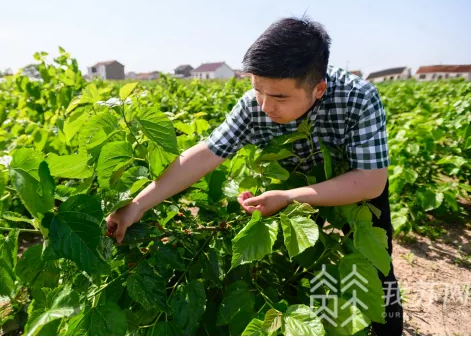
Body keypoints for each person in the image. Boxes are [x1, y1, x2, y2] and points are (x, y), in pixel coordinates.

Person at [106, 17, 403, 335]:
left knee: (375, 264)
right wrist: (138, 205)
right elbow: (206, 153)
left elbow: (371, 182)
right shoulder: (255, 105)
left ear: (319, 89)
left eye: (279, 97)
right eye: (257, 90)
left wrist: (289, 197)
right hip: (291, 182)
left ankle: (388, 327)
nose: (264, 106)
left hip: (353, 184)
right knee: (304, 260)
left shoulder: (358, 98)